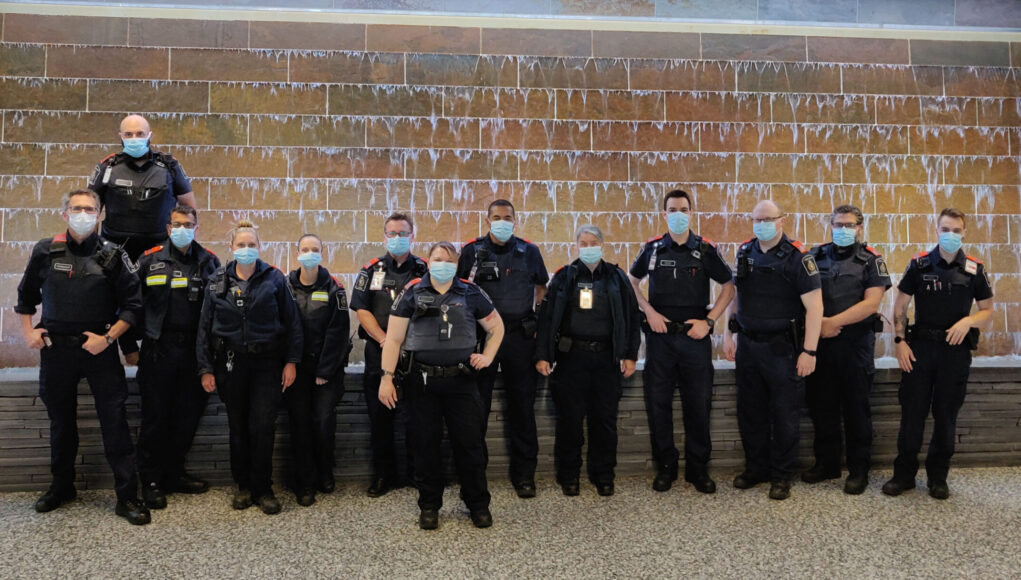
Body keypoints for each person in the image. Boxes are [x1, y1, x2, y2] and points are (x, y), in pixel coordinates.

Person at [15, 189, 149, 524]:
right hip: (56, 350)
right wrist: (29, 332)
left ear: (100, 214)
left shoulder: (113, 255)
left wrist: (107, 339)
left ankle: (127, 496)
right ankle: (62, 487)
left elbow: (133, 307)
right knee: (61, 424)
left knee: (114, 423)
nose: (83, 214)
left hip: (99, 350)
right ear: (65, 213)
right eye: (77, 208)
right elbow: (26, 296)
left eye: (90, 209)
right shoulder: (46, 250)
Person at [377, 242, 505, 530]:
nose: (442, 264)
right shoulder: (412, 292)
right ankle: (429, 505)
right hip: (421, 384)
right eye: (437, 259)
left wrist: (487, 356)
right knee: (424, 448)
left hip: (462, 382)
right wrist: (386, 377)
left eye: (448, 260)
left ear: (456, 264)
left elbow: (496, 327)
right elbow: (394, 339)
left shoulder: (471, 292)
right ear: (429, 261)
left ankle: (478, 504)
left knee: (470, 445)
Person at [628, 190, 735, 494]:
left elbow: (729, 286)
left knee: (698, 406)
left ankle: (698, 470)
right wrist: (648, 311)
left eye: (683, 209)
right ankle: (666, 468)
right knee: (658, 405)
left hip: (694, 338)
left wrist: (710, 321)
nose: (678, 213)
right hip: (660, 338)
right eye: (672, 209)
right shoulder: (652, 249)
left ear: (691, 213)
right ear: (664, 214)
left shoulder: (704, 249)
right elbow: (631, 282)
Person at [883, 208, 993, 500]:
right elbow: (900, 307)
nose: (951, 235)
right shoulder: (919, 265)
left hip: (955, 353)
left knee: (946, 417)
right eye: (946, 229)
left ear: (965, 232)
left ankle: (937, 478)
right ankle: (903, 476)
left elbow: (987, 311)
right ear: (937, 230)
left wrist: (968, 321)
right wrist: (899, 341)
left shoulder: (974, 269)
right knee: (912, 415)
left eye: (956, 230)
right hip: (919, 350)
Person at [196, 219, 303, 515]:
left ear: (260, 247)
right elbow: (204, 327)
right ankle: (242, 486)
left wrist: (292, 361)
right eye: (241, 245)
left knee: (263, 426)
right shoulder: (217, 281)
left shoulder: (275, 279)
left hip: (267, 363)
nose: (246, 249)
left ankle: (263, 488)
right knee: (238, 427)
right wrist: (205, 368)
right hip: (230, 363)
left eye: (251, 245)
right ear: (231, 248)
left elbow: (292, 324)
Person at [723, 200, 823, 500]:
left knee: (785, 415)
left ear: (782, 221)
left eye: (767, 219)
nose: (761, 224)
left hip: (783, 349)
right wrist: (729, 333)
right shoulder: (745, 251)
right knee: (750, 412)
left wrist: (810, 351)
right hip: (749, 346)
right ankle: (757, 469)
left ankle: (781, 476)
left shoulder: (798, 257)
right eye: (756, 219)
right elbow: (735, 294)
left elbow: (816, 308)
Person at [126, 205, 221, 510]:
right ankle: (151, 480)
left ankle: (175, 473)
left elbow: (220, 311)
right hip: (158, 350)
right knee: (155, 418)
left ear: (196, 227)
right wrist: (129, 346)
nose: (183, 229)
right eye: (177, 224)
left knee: (187, 417)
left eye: (188, 224)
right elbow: (128, 304)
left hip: (195, 352)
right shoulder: (149, 259)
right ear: (168, 228)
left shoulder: (209, 262)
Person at [535, 225, 641, 498]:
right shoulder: (564, 277)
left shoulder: (617, 278)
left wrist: (630, 354)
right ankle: (568, 476)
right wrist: (544, 354)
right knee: (570, 421)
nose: (588, 246)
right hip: (571, 359)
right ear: (576, 246)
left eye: (593, 242)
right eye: (583, 242)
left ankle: (603, 475)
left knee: (604, 421)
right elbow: (546, 318)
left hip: (607, 359)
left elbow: (631, 318)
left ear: (602, 245)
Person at [456, 199, 549, 498]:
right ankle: (474, 475)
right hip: (482, 339)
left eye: (507, 217)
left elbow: (541, 287)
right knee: (476, 409)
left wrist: (533, 316)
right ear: (487, 220)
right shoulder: (472, 251)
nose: (502, 221)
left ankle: (524, 476)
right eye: (496, 217)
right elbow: (459, 289)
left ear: (515, 220)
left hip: (519, 338)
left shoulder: (529, 251)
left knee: (522, 408)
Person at [803, 205, 891, 495]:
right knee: (821, 407)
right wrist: (820, 328)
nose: (843, 230)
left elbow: (871, 303)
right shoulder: (814, 256)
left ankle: (858, 471)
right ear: (830, 225)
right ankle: (826, 465)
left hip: (855, 346)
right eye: (838, 224)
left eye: (849, 225)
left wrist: (830, 323)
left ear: (860, 228)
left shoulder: (871, 260)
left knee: (856, 411)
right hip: (821, 346)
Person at [349, 212, 428, 497]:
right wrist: (385, 340)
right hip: (379, 351)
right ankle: (384, 475)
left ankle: (416, 474)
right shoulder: (371, 270)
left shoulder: (425, 269)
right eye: (392, 233)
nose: (397, 238)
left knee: (417, 418)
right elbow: (361, 309)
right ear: (384, 237)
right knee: (380, 418)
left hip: (414, 354)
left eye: (403, 233)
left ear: (412, 235)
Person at [284, 234, 351, 507]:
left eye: (315, 249)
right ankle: (305, 482)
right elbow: (283, 326)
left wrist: (325, 369)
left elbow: (339, 331)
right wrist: (289, 363)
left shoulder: (335, 288)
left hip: (327, 368)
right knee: (299, 425)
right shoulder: (285, 286)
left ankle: (325, 471)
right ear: (296, 251)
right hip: (295, 368)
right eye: (305, 249)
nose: (309, 253)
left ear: (322, 253)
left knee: (323, 423)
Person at [87, 114, 197, 261]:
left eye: (140, 134)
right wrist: (90, 250)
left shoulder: (170, 166)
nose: (134, 138)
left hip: (160, 248)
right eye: (128, 134)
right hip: (114, 248)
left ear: (149, 135)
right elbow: (90, 210)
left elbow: (189, 208)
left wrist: (189, 249)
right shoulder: (107, 166)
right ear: (121, 136)